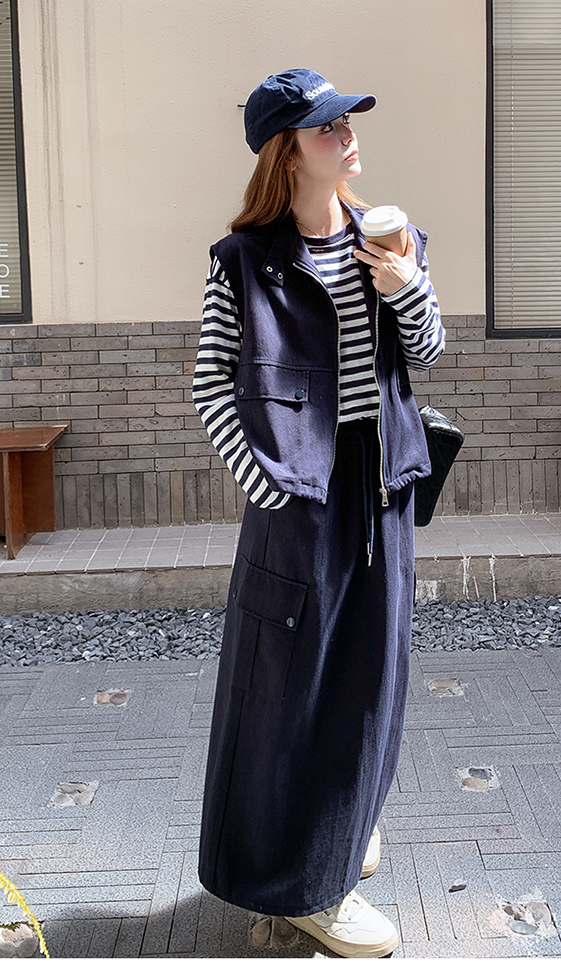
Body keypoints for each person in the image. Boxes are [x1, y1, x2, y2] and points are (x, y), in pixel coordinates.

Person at [193, 68, 445, 959]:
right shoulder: (245, 262)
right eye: (327, 127)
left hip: (383, 489)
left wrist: (405, 285)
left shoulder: (392, 237)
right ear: (288, 152)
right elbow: (211, 385)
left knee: (373, 676)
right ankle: (303, 887)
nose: (347, 135)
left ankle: (341, 829)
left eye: (347, 122)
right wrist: (267, 486)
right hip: (298, 498)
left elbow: (427, 351)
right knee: (287, 690)